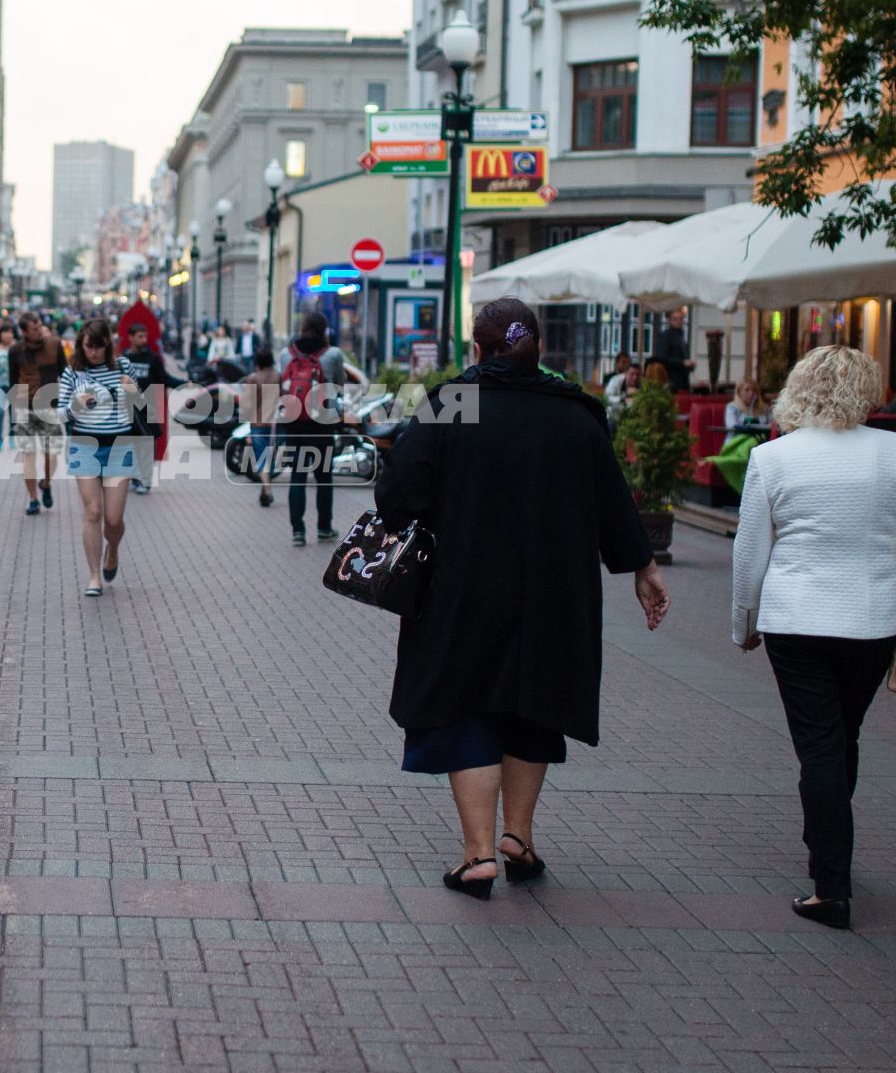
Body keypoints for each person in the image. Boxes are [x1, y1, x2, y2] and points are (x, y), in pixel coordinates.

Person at [375, 298, 670, 900]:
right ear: (538, 347)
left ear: (479, 350)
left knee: (466, 707)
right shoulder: (576, 415)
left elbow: (396, 499)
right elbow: (614, 504)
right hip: (555, 591)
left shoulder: (453, 405)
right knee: (534, 703)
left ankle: (479, 854)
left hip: (462, 590)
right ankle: (518, 837)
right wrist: (642, 567)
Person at [731, 345, 896, 929]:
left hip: (795, 620)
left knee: (818, 744)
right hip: (870, 621)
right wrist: (880, 543)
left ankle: (831, 884)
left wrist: (742, 625)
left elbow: (751, 553)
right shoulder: (891, 451)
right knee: (842, 735)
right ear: (868, 389)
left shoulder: (772, 458)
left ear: (798, 389)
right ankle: (827, 847)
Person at [58, 318, 146, 597]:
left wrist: (134, 391)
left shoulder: (123, 366)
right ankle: (94, 576)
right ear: (81, 345)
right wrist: (75, 405)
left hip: (119, 445)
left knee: (113, 519)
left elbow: (142, 406)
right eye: (88, 346)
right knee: (92, 512)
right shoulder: (72, 372)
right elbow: (59, 413)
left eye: (98, 346)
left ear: (107, 344)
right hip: (84, 445)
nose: (93, 352)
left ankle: (114, 549)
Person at [275, 310, 351, 546]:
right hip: (322, 425)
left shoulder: (286, 354)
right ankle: (324, 528)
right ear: (324, 330)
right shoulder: (333, 354)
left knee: (297, 477)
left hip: (294, 424)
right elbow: (339, 385)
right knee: (323, 478)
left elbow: (282, 385)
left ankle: (298, 532)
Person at [8, 311, 68, 516]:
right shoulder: (16, 351)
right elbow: (12, 381)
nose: (39, 330)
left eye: (40, 325)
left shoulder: (54, 344)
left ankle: (47, 483)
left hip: (50, 405)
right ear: (24, 331)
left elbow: (65, 374)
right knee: (28, 455)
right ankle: (33, 499)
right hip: (25, 406)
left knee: (52, 454)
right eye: (34, 328)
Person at [123, 320, 169, 495]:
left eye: (145, 336)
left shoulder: (153, 358)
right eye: (140, 336)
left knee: (148, 444)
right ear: (131, 337)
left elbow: (164, 379)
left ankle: (146, 481)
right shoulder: (124, 359)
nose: (144, 340)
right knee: (131, 444)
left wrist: (186, 383)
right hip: (129, 407)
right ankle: (135, 478)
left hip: (148, 406)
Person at [242, 347, 281, 508]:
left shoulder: (252, 378)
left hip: (257, 423)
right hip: (275, 423)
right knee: (271, 458)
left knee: (262, 458)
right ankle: (265, 489)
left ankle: (266, 491)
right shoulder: (278, 376)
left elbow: (248, 404)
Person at [650, 308, 694, 389]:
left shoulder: (681, 337)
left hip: (682, 380)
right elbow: (661, 357)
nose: (679, 321)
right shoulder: (665, 336)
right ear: (669, 320)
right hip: (671, 380)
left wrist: (690, 365)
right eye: (675, 319)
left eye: (680, 319)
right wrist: (682, 362)